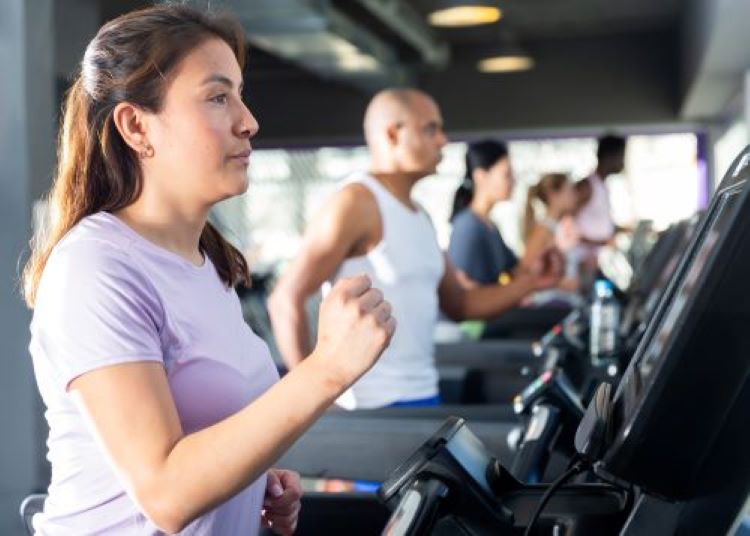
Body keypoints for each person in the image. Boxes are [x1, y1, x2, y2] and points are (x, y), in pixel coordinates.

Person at [23, 6, 395, 535]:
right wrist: (328, 368)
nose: (249, 121)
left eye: (240, 95)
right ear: (136, 126)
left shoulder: (204, 262)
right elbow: (167, 494)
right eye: (218, 97)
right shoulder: (94, 268)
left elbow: (203, 432)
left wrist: (249, 479)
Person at [268, 88, 562, 410]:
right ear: (393, 134)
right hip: (371, 406)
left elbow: (460, 304)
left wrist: (531, 282)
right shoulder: (356, 202)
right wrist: (312, 398)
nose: (443, 141)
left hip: (423, 395)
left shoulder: (421, 215)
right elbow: (286, 299)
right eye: (431, 129)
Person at [447, 139, 519, 287]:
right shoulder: (468, 226)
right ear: (481, 176)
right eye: (506, 174)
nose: (513, 181)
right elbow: (460, 286)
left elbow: (516, 269)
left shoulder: (490, 225)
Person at [523, 173, 581, 285]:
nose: (575, 195)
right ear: (553, 194)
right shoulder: (544, 229)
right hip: (550, 300)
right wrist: (559, 283)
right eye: (569, 190)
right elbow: (524, 270)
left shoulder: (557, 227)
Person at [574, 134, 627, 247]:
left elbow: (600, 224)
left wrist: (627, 230)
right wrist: (602, 243)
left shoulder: (602, 186)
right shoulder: (586, 187)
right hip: (582, 261)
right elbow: (565, 227)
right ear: (610, 156)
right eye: (621, 156)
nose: (623, 162)